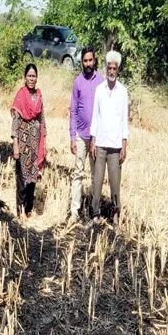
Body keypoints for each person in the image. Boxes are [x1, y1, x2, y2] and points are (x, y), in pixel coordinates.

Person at [90, 50, 129, 230]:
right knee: (97, 182)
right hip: (100, 144)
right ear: (106, 69)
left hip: (115, 146)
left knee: (115, 184)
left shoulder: (123, 92)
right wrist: (93, 140)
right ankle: (95, 215)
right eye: (109, 68)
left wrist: (124, 145)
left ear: (118, 70)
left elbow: (124, 120)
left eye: (114, 68)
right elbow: (95, 116)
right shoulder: (99, 90)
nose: (111, 71)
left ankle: (115, 218)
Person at [69, 46, 104, 223]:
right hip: (81, 135)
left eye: (90, 60)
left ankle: (94, 212)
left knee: (96, 175)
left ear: (94, 60)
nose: (88, 63)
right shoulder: (78, 82)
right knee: (78, 173)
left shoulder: (101, 81)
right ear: (82, 62)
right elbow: (73, 110)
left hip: (96, 137)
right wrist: (72, 137)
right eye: (85, 61)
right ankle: (74, 212)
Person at [12, 63, 47, 219]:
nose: (31, 79)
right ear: (25, 77)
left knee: (33, 177)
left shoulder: (39, 95)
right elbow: (15, 120)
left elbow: (42, 119)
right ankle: (19, 210)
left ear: (36, 78)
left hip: (35, 143)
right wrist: (15, 143)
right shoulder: (21, 95)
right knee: (22, 178)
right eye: (29, 76)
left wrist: (44, 141)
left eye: (34, 76)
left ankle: (28, 209)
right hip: (23, 143)